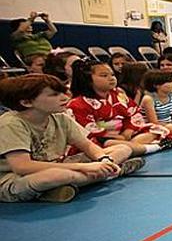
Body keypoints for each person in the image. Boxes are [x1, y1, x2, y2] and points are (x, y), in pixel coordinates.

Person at [0, 74, 145, 203]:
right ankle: (112, 173)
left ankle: (58, 188)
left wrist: (103, 159)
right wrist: (84, 167)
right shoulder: (11, 123)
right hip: (15, 178)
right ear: (27, 102)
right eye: (54, 95)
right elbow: (23, 166)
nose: (64, 97)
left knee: (123, 149)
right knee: (57, 175)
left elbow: (87, 145)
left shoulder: (60, 117)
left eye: (63, 92)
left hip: (58, 164)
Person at [67, 60, 171, 156]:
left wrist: (128, 131)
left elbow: (133, 113)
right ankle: (152, 147)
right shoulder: (77, 104)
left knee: (157, 129)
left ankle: (135, 147)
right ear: (88, 79)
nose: (111, 78)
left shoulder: (118, 93)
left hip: (126, 135)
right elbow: (88, 130)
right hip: (104, 140)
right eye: (104, 75)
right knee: (109, 144)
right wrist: (117, 137)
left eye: (112, 74)